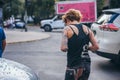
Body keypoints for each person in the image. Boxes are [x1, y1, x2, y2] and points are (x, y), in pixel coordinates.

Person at [60, 9, 99, 80]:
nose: (65, 24)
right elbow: (96, 47)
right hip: (86, 66)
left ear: (67, 19)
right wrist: (86, 48)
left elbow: (63, 48)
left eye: (65, 22)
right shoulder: (88, 29)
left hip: (73, 66)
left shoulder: (67, 29)